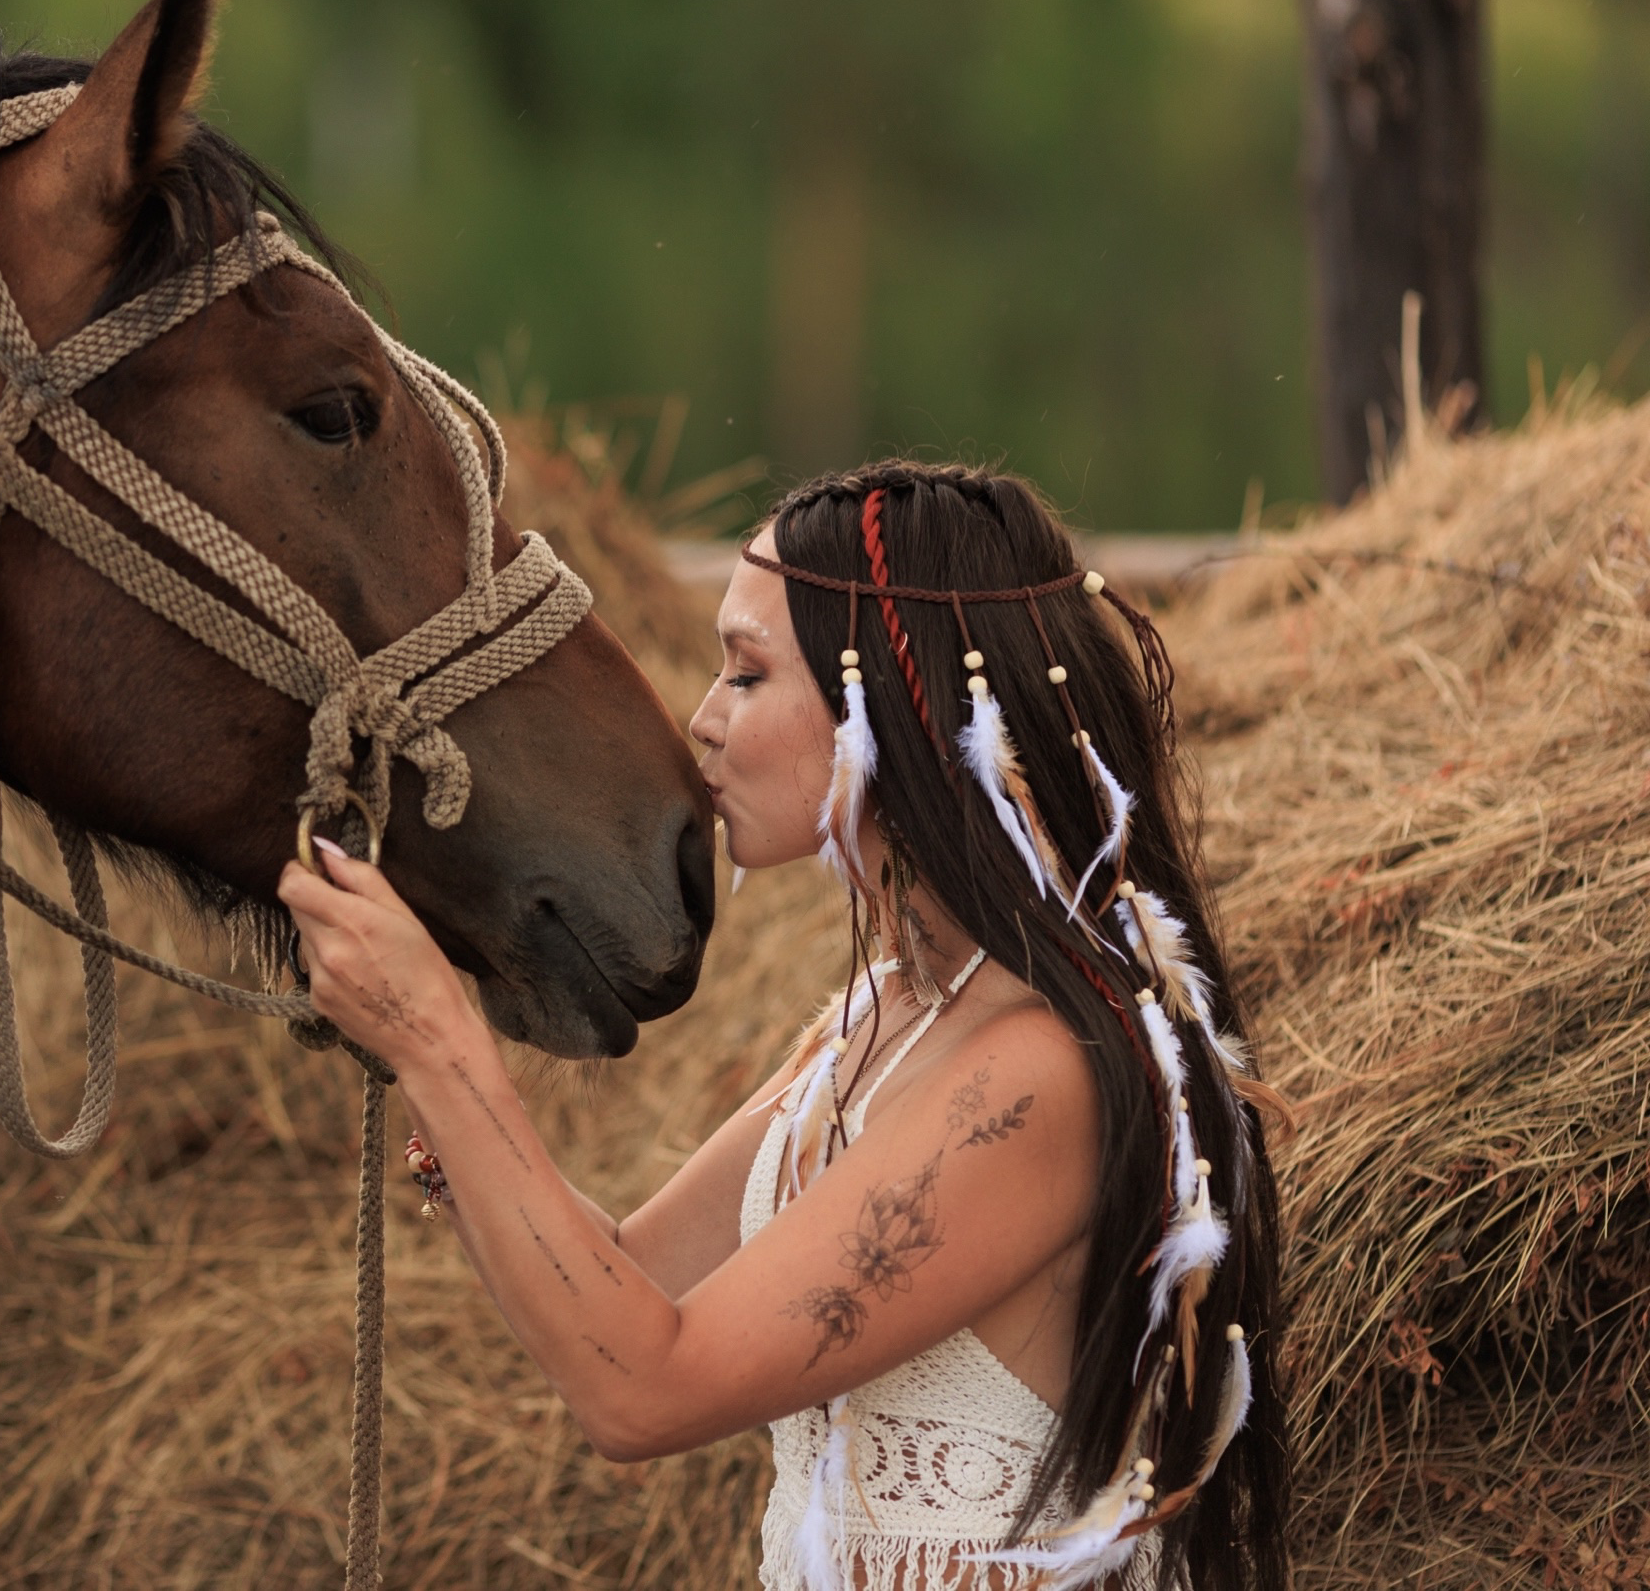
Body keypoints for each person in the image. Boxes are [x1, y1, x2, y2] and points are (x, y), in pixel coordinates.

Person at [279, 462, 1287, 1589]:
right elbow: (626, 1280)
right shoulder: (886, 1016)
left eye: (747, 674)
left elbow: (644, 1385)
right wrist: (429, 1059)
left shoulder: (1035, 1073)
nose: (701, 721)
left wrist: (437, 1040)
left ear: (891, 711)